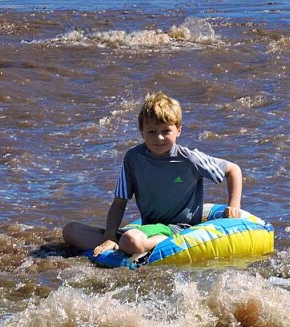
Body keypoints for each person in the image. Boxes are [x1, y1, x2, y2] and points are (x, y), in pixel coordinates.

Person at [63, 91, 244, 261]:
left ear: (178, 130)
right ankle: (127, 245)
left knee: (129, 240)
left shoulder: (189, 159)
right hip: (148, 227)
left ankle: (142, 246)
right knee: (71, 231)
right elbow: (119, 203)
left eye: (166, 131)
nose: (159, 138)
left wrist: (234, 205)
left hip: (179, 229)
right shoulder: (133, 158)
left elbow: (233, 170)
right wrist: (109, 237)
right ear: (141, 131)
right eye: (151, 132)